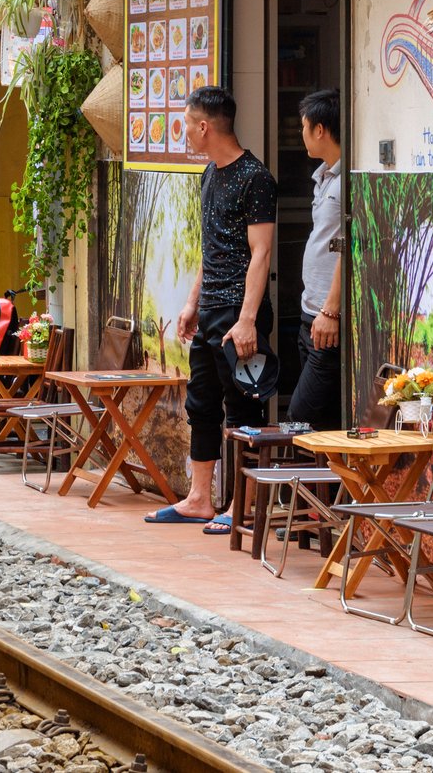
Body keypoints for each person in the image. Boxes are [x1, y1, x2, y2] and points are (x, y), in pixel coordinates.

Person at [147, 86, 278, 534]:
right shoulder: (209, 174)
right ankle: (200, 499)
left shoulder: (255, 177)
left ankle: (242, 505)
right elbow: (211, 247)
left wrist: (247, 320)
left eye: (186, 124)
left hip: (240, 314)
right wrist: (190, 303)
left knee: (244, 409)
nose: (184, 133)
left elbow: (261, 254)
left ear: (205, 126)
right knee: (201, 405)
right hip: (209, 311)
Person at [289, 89, 345, 430]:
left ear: (320, 130)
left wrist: (331, 311)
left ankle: (298, 485)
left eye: (304, 127)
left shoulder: (346, 182)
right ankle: (328, 485)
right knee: (322, 423)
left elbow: (346, 247)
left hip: (326, 318)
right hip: (309, 315)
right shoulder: (323, 178)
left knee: (301, 416)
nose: (302, 134)